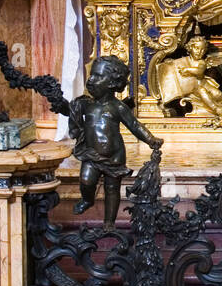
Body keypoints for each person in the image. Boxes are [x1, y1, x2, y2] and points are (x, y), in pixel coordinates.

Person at [68, 55, 163, 226]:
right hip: (91, 154)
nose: (91, 80)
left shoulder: (118, 107)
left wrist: (150, 139)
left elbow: (134, 125)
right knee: (86, 180)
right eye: (91, 75)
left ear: (112, 83)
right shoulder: (86, 104)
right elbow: (68, 111)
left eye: (97, 76)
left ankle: (109, 223)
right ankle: (87, 199)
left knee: (112, 189)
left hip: (115, 156)